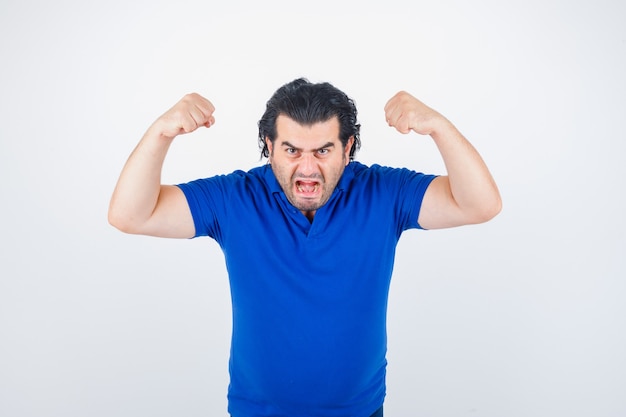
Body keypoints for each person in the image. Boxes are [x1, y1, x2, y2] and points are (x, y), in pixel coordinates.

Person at [108, 78, 502, 417]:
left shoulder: (384, 192)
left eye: (323, 151)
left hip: (360, 411)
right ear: (269, 145)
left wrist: (438, 127)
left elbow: (479, 204)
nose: (308, 168)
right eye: (292, 150)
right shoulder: (234, 197)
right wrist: (161, 132)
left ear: (348, 148)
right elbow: (131, 215)